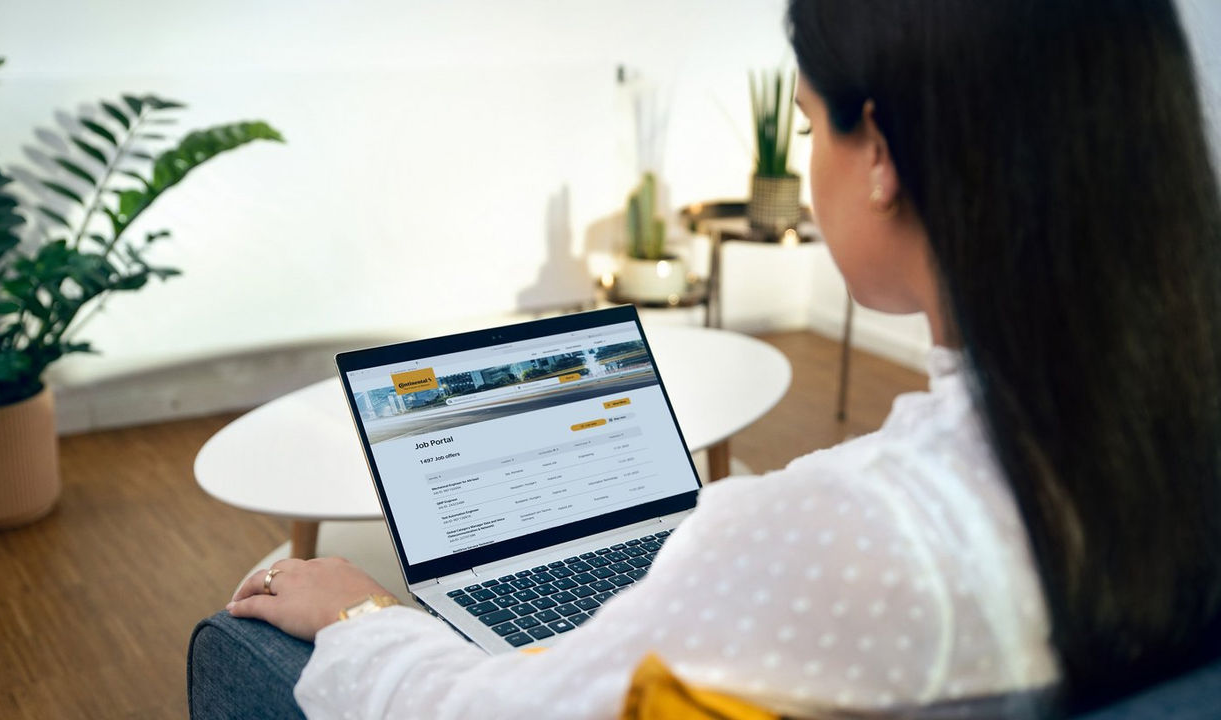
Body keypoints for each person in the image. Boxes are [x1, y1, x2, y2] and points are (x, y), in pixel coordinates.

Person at [188, 0, 1221, 717]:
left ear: (881, 156)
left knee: (262, 639)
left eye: (809, 124)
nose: (802, 157)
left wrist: (362, 617)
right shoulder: (1163, 436)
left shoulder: (848, 531)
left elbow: (488, 709)